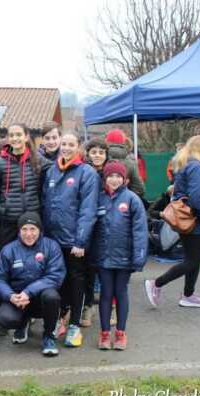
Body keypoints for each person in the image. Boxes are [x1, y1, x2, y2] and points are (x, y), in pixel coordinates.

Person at [41, 132, 99, 348]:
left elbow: (88, 209)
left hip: (74, 241)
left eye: (70, 144)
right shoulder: (52, 170)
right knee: (59, 281)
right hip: (53, 240)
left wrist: (80, 241)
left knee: (76, 282)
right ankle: (60, 319)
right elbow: (45, 203)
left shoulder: (87, 173)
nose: (66, 147)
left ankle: (74, 325)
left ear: (78, 147)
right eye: (63, 144)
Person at [145, 135, 200, 309]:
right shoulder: (196, 167)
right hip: (193, 219)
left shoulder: (189, 165)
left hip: (190, 218)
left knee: (193, 259)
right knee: (192, 260)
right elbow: (198, 198)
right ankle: (156, 284)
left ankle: (188, 295)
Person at [90, 161, 148, 350]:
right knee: (106, 293)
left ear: (125, 179)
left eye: (118, 176)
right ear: (105, 178)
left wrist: (139, 257)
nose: (114, 180)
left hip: (125, 258)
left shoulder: (132, 199)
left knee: (121, 292)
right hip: (103, 258)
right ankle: (105, 333)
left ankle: (121, 333)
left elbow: (140, 232)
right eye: (110, 176)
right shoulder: (98, 199)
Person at [0, 212, 65, 356]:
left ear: (40, 230)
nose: (29, 234)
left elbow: (55, 276)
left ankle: (49, 336)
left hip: (40, 298)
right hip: (18, 299)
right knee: (6, 319)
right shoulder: (9, 250)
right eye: (24, 229)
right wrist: (11, 296)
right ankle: (23, 324)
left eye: (33, 229)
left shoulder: (51, 246)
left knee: (52, 297)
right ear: (19, 231)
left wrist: (28, 292)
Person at [0, 123, 48, 255]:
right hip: (8, 220)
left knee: (31, 258)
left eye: (19, 134)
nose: (15, 138)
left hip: (31, 220)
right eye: (12, 135)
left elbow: (57, 169)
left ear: (26, 137)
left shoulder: (38, 160)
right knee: (5, 256)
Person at [81, 138, 109, 327]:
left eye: (101, 152)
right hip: (90, 225)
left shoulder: (112, 172)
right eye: (94, 152)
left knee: (107, 270)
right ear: (88, 153)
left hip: (108, 226)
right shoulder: (84, 171)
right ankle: (88, 306)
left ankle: (111, 307)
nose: (97, 155)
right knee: (89, 270)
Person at [105, 129, 145, 197]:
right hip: (124, 201)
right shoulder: (131, 162)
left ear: (106, 141)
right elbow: (139, 189)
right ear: (125, 142)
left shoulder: (101, 158)